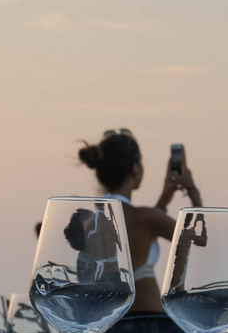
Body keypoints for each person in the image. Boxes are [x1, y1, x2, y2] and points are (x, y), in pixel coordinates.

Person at [76, 129, 201, 315]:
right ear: (135, 168)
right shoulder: (145, 219)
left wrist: (165, 197)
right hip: (148, 325)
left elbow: (144, 228)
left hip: (103, 330)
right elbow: (198, 236)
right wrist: (191, 189)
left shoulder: (87, 223)